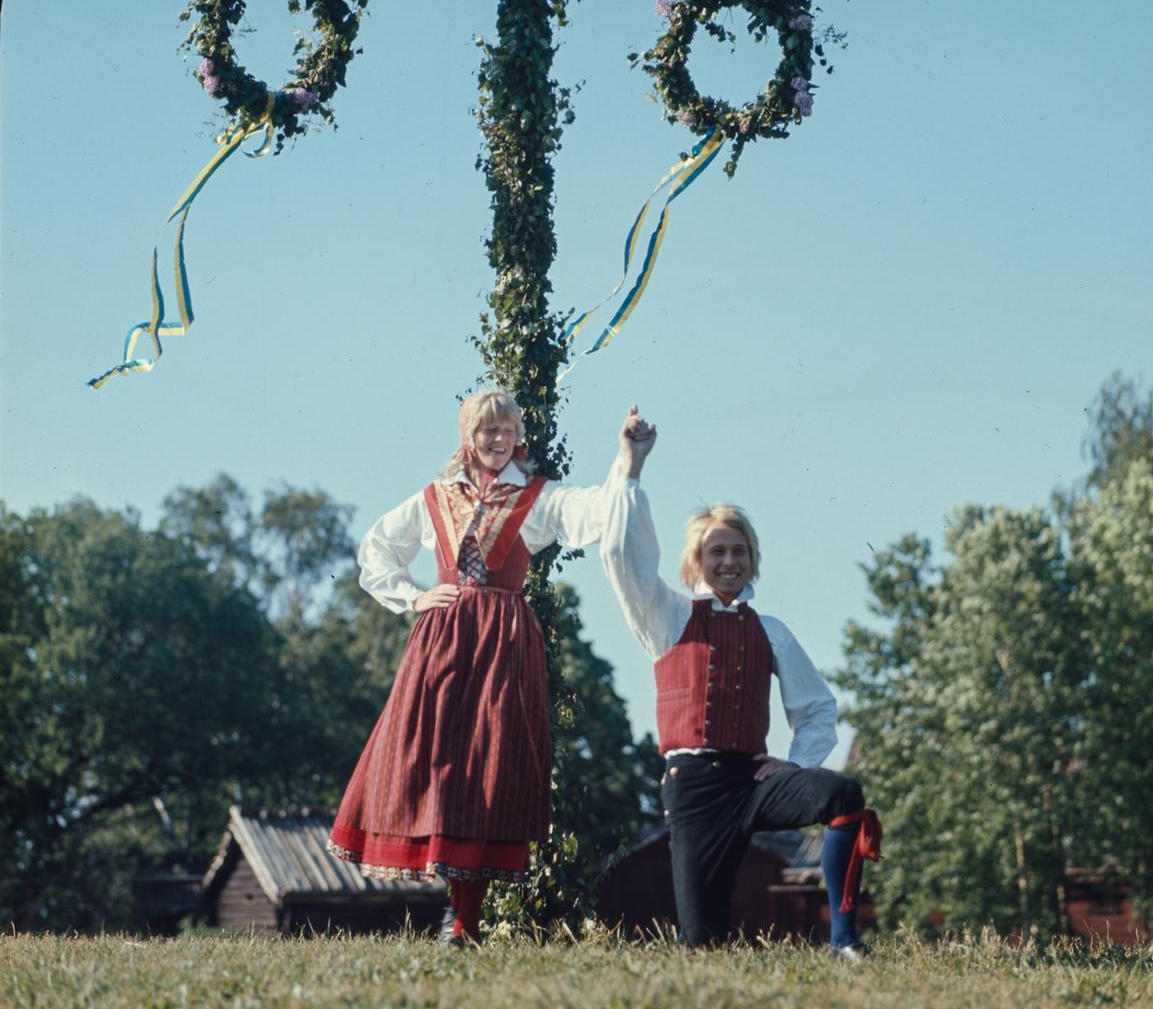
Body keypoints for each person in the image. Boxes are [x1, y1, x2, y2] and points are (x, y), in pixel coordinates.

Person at [328, 388, 640, 945]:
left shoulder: (537, 497)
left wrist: (628, 460)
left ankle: (464, 920)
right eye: (486, 430)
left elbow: (595, 511)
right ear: (467, 437)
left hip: (502, 642)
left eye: (506, 430)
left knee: (487, 766)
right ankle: (452, 910)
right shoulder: (435, 497)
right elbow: (377, 548)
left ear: (519, 436)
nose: (497, 440)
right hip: (443, 640)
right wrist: (414, 596)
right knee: (436, 760)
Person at [599, 411, 881, 956]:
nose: (728, 562)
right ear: (696, 561)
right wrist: (630, 469)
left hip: (755, 779)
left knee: (843, 794)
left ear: (752, 560)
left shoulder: (771, 631)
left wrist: (795, 765)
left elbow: (818, 708)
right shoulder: (667, 618)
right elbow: (619, 556)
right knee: (702, 942)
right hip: (695, 787)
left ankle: (844, 941)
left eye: (739, 552)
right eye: (717, 551)